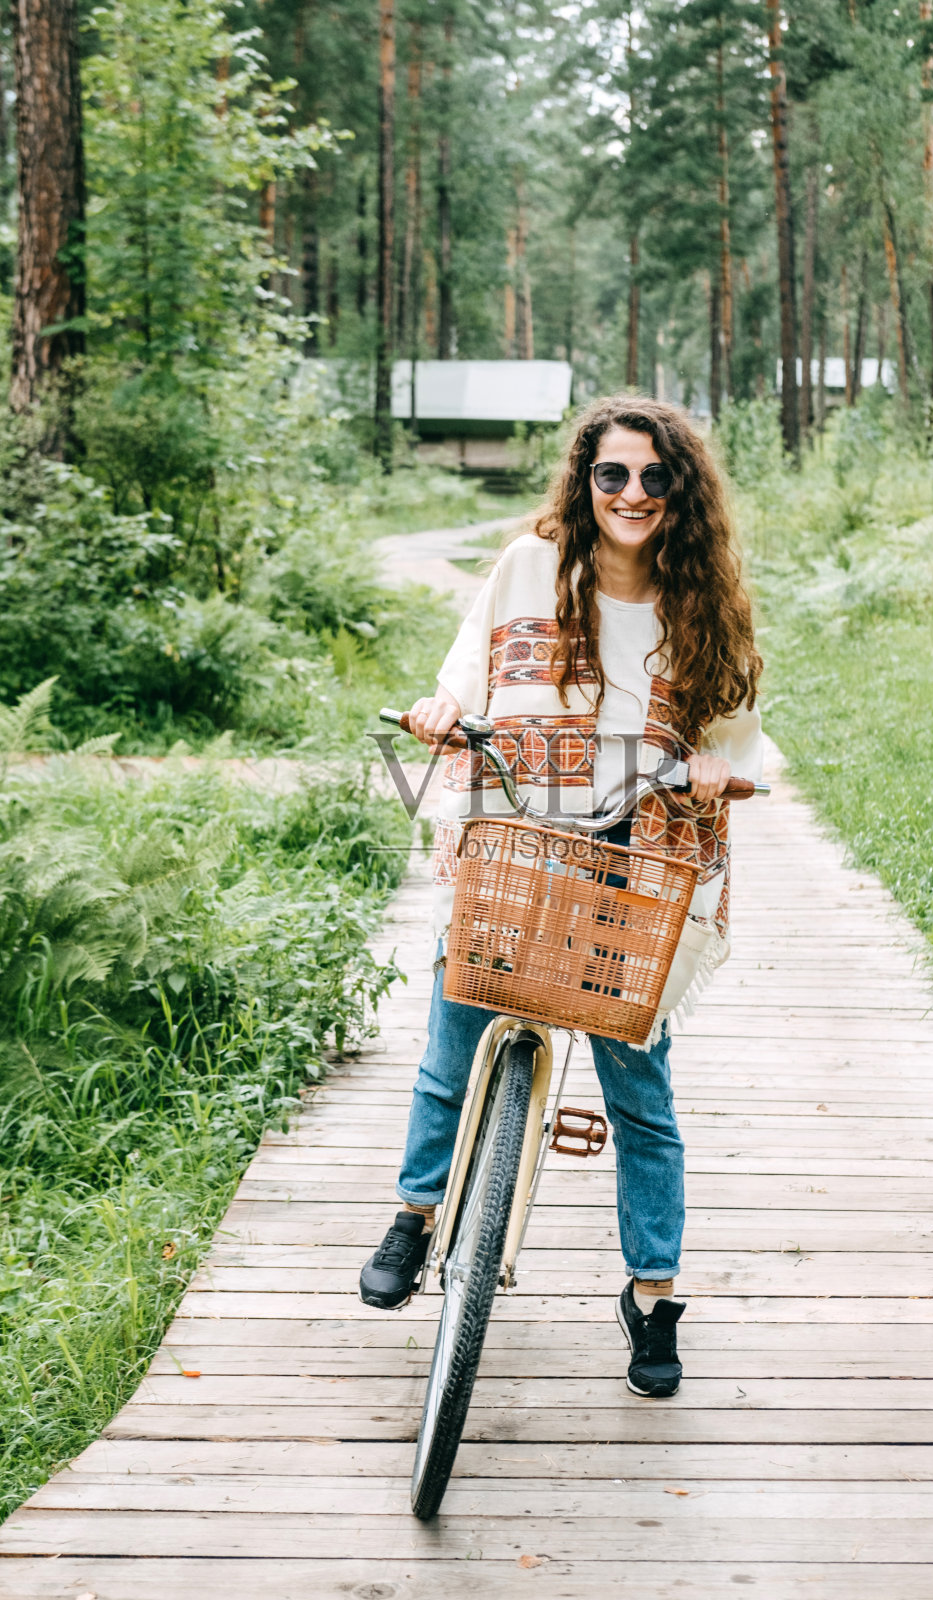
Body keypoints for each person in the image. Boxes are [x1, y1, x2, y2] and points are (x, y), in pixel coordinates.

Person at [360, 394, 763, 1398]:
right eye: (611, 475)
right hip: (516, 830)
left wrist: (712, 767)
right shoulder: (528, 565)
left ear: (681, 493)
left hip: (635, 846)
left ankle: (652, 1293)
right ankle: (414, 1216)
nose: (632, 494)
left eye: (653, 478)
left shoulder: (701, 603)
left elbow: (733, 735)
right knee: (450, 1041)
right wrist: (443, 709)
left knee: (639, 1094)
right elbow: (465, 670)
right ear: (584, 482)